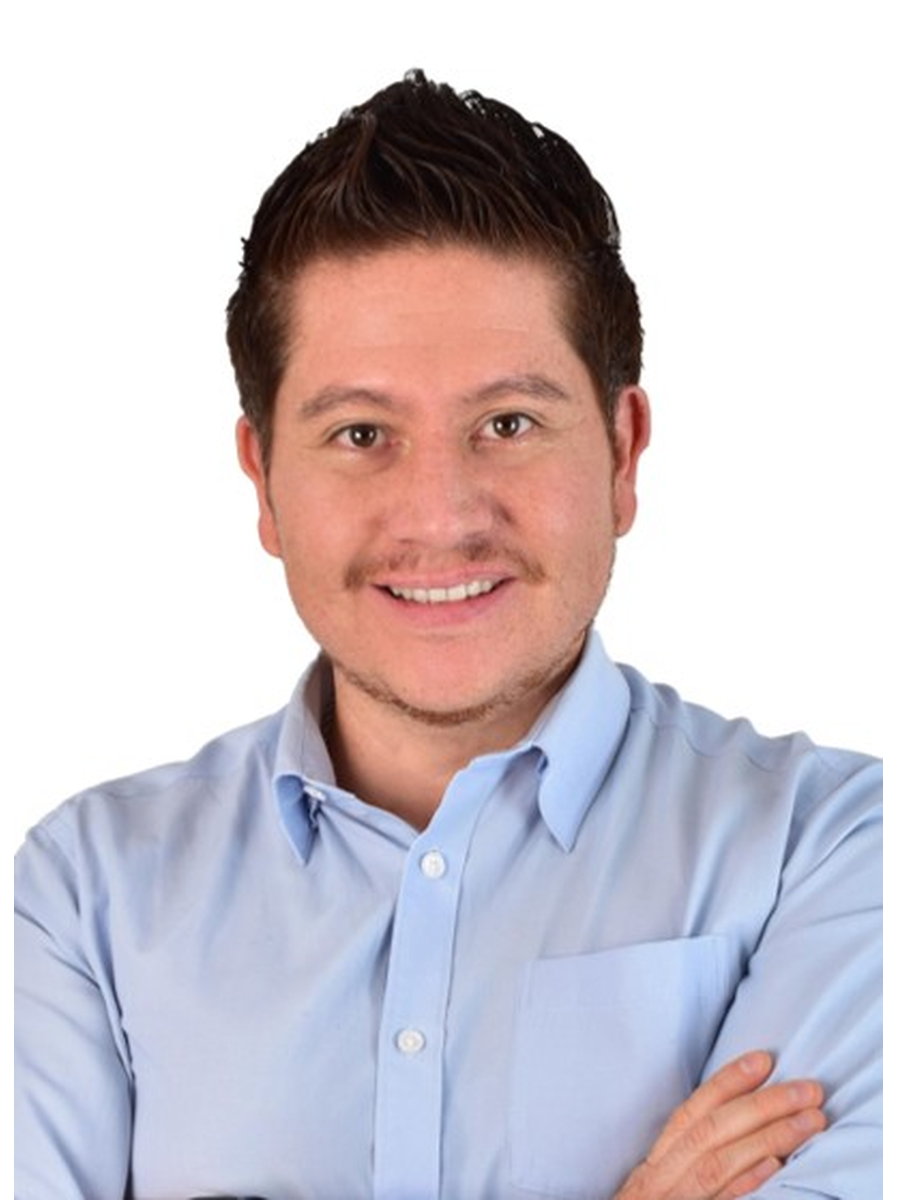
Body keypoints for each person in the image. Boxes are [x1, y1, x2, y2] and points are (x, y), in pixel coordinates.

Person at [15, 71, 881, 1200]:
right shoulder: (84, 898)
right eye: (361, 431)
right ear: (263, 482)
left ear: (623, 453)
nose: (441, 516)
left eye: (508, 423)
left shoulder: (833, 851)